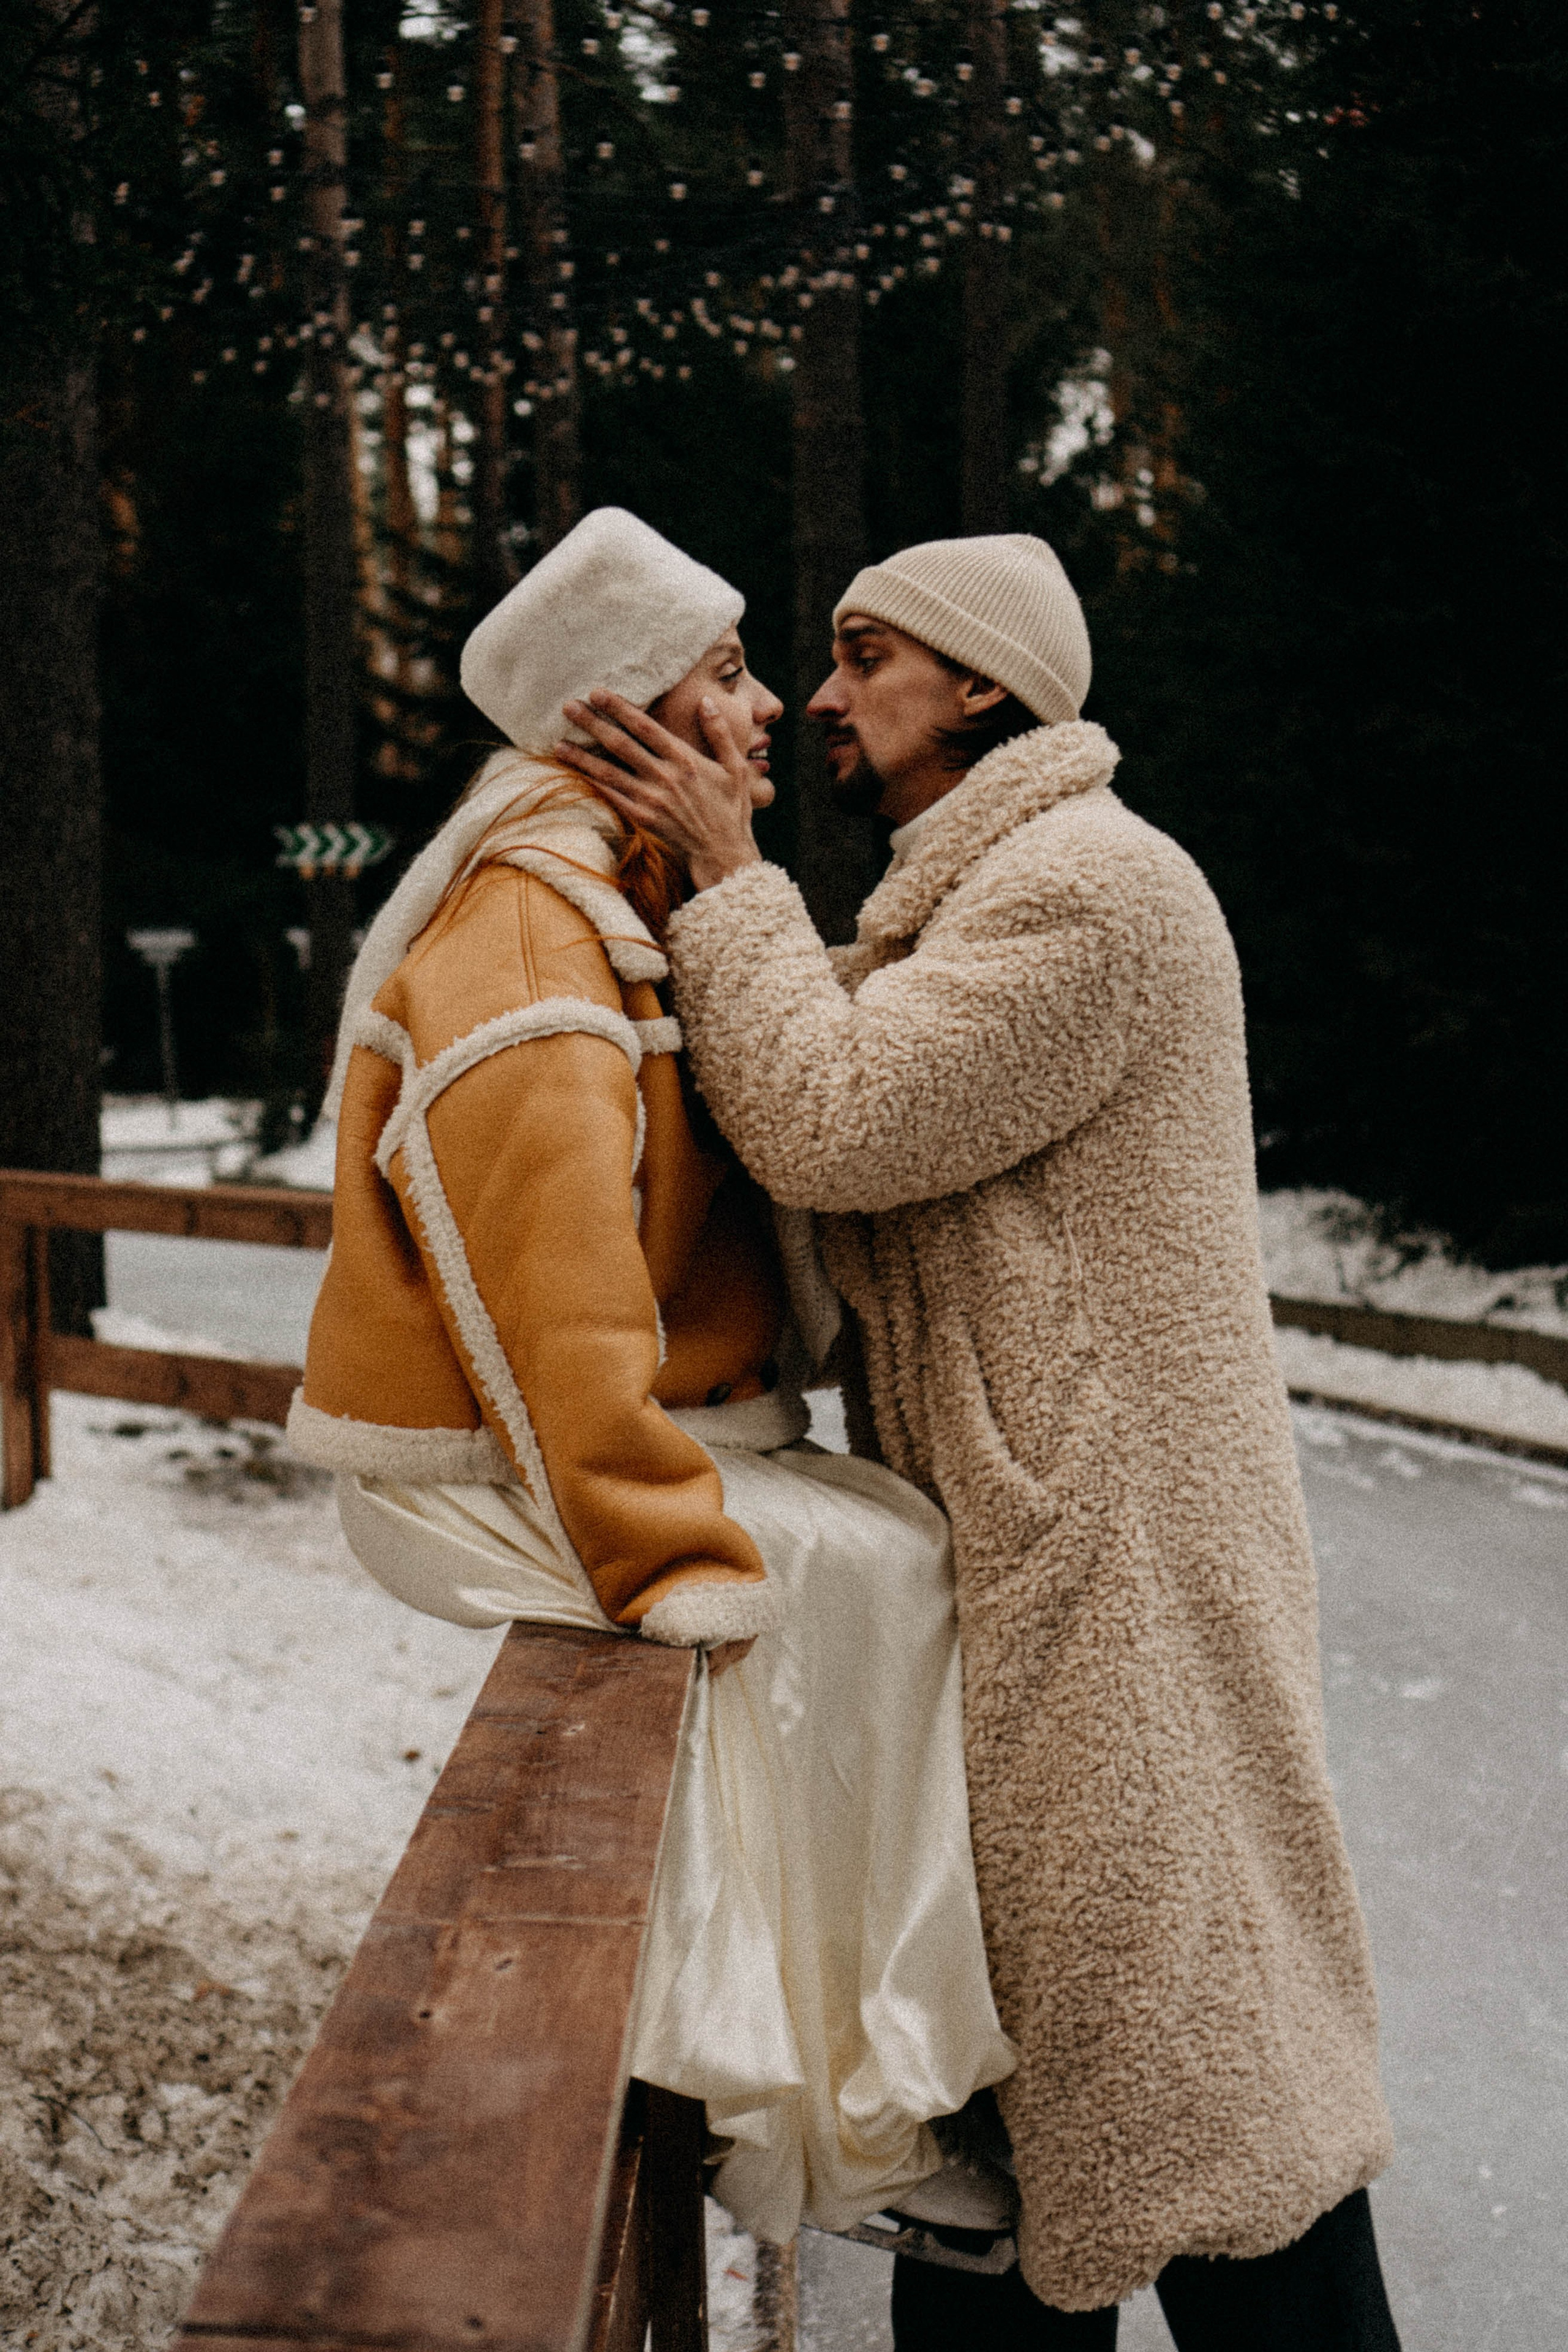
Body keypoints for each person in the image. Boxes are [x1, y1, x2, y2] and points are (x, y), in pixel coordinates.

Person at [554, 530, 1403, 2346]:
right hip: (1033, 1577)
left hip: (1126, 1591)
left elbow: (840, 1126)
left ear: (987, 683)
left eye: (866, 658)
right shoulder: (956, 901)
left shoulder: (1089, 888)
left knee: (1218, 2128)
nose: (825, 696)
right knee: (1030, 2136)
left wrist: (726, 874)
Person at [286, 507, 1015, 2250]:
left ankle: (881, 2077)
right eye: (728, 673)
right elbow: (545, 1306)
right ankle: (832, 2127)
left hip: (591, 1438)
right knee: (858, 1582)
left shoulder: (624, 898)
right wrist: (659, 1549)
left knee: (892, 1545)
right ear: (618, 720)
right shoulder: (534, 936)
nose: (769, 709)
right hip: (477, 1470)